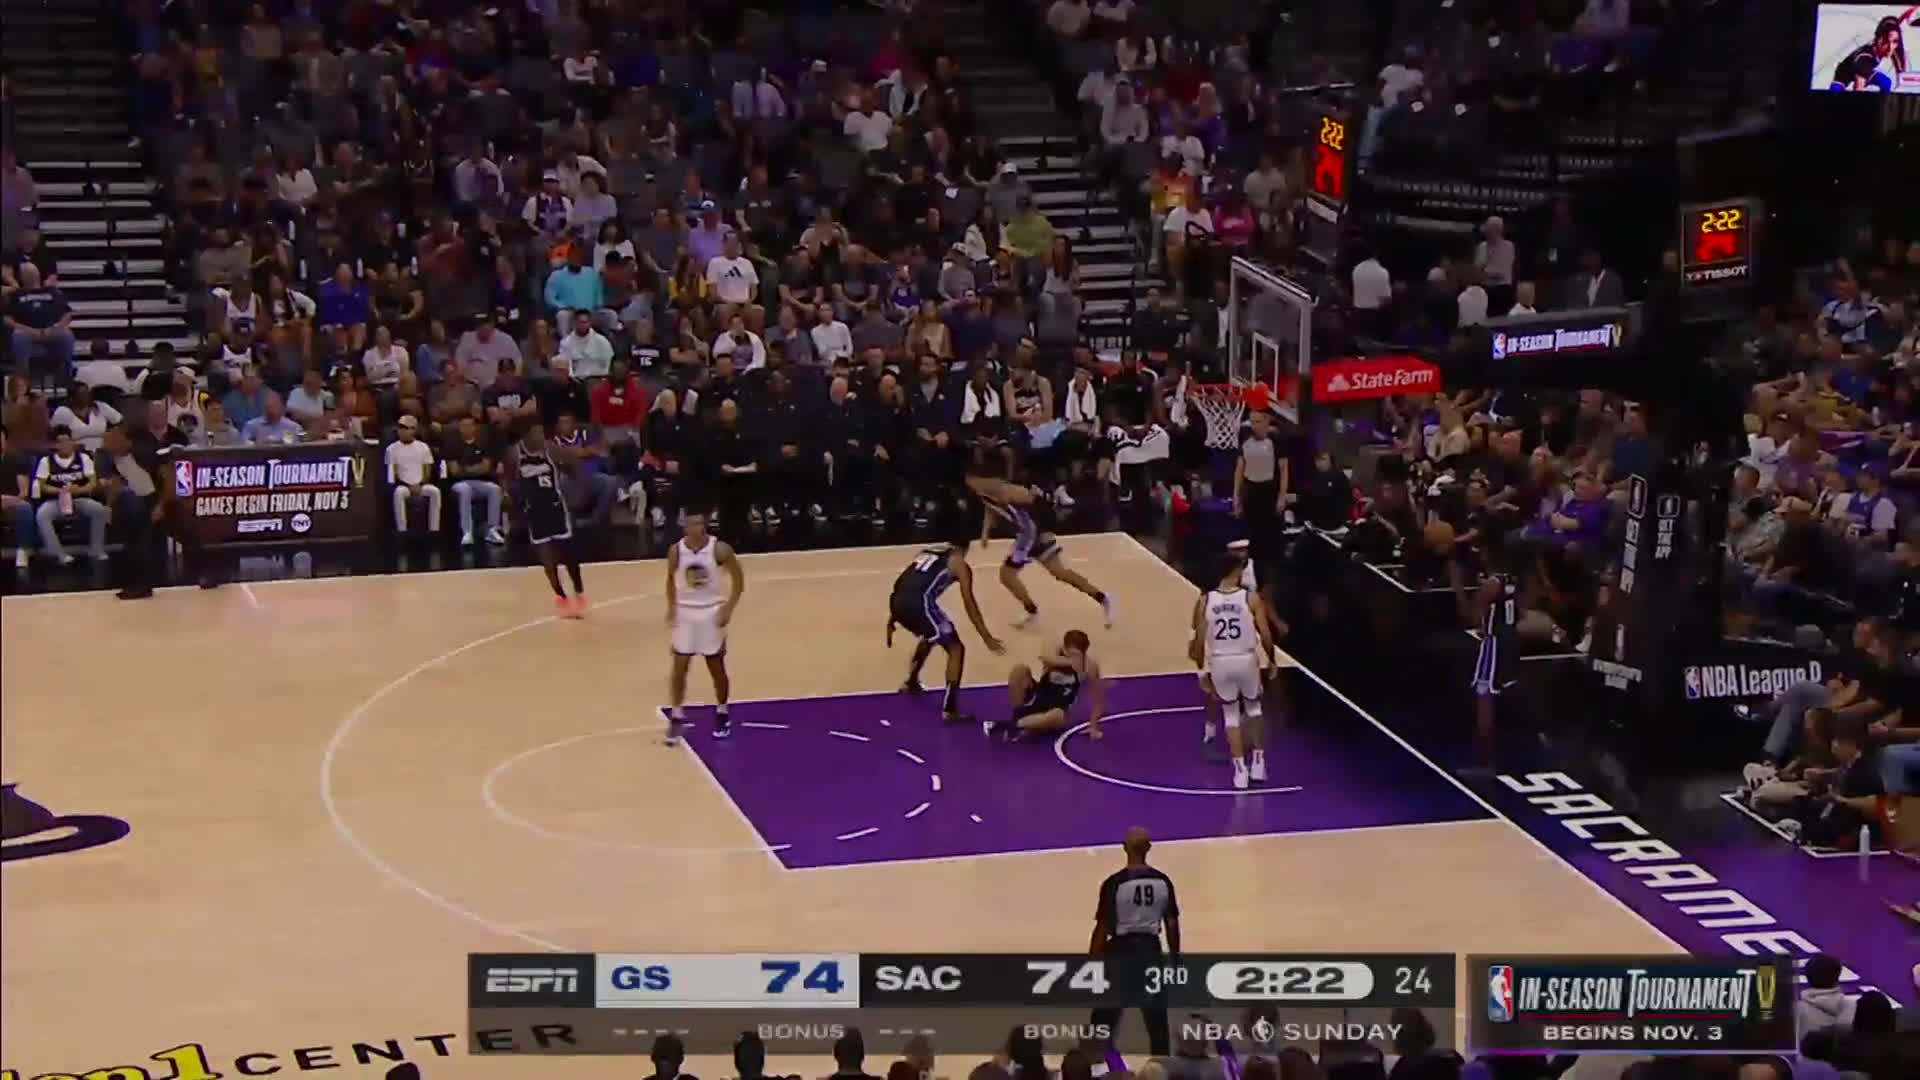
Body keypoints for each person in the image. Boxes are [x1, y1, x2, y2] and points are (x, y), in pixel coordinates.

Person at [968, 470, 1114, 628]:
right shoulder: (982, 492)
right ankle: (1103, 598)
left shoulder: (1011, 491)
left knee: (1006, 575)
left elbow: (1043, 506)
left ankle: (1032, 611)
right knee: (1060, 573)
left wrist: (1047, 531)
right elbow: (990, 509)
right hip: (1027, 535)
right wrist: (985, 533)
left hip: (1032, 535)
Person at [887, 538, 1004, 723]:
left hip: (897, 600)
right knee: (956, 648)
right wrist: (985, 635)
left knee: (932, 634)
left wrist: (893, 615)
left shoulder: (928, 552)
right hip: (920, 604)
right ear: (964, 547)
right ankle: (950, 710)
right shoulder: (959, 563)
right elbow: (969, 602)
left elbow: (903, 582)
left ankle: (911, 682)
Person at [1191, 547, 1278, 789]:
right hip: (1246, 659)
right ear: (1236, 571)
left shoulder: (1205, 600)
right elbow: (1266, 635)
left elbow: (1198, 642)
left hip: (1220, 661)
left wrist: (1201, 671)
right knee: (1254, 708)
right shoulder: (1249, 598)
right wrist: (1271, 660)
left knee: (1230, 716)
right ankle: (1258, 763)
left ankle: (1239, 771)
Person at [1089, 826, 1177, 1058]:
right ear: (1148, 848)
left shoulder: (1114, 883)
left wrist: (1091, 964)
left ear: (1124, 848)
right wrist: (1176, 961)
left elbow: (1103, 927)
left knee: (1103, 1021)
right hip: (1150, 951)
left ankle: (1093, 1067)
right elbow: (1171, 925)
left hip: (1120, 952)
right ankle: (1161, 1069)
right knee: (1157, 1022)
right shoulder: (1163, 881)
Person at [665, 508, 746, 743]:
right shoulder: (676, 551)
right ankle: (677, 716)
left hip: (711, 613)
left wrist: (728, 608)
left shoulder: (719, 549)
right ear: (685, 527)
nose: (697, 528)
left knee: (716, 667)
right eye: (692, 524)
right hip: (685, 613)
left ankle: (722, 712)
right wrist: (671, 608)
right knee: (679, 667)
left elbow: (739, 581)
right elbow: (670, 580)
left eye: (700, 523)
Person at [508, 420, 588, 616]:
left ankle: (579, 591)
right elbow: (509, 480)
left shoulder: (551, 450)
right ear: (526, 436)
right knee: (547, 560)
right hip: (534, 512)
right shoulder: (515, 454)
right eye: (535, 433)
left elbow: (574, 464)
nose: (540, 437)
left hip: (555, 508)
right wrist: (513, 500)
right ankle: (561, 597)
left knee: (568, 554)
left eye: (541, 432)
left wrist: (577, 492)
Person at [988, 629, 1104, 741]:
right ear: (1064, 648)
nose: (1073, 657)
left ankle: (1010, 726)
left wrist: (1093, 727)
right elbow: (1045, 657)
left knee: (1058, 715)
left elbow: (1098, 702)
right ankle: (1018, 717)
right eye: (1070, 653)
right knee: (1019, 670)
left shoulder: (1090, 667)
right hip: (1038, 697)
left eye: (1077, 655)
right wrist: (1071, 662)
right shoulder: (1054, 651)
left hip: (1057, 711)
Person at [31, 425, 108, 564]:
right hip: (55, 501)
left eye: (68, 440)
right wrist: (61, 491)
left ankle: (96, 550)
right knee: (42, 514)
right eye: (61, 441)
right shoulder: (46, 461)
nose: (65, 444)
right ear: (54, 445)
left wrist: (77, 490)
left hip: (79, 498)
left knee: (98, 509)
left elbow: (92, 483)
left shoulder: (84, 458)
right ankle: (58, 554)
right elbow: (42, 485)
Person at [385, 415, 440, 536]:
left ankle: (434, 530)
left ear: (414, 430)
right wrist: (408, 486)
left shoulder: (423, 447)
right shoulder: (391, 449)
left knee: (435, 492)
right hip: (403, 485)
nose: (402, 430)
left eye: (405, 428)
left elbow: (427, 470)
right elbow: (393, 474)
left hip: (421, 484)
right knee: (398, 493)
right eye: (400, 427)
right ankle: (402, 531)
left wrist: (420, 485)